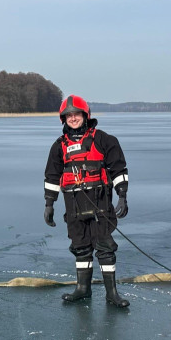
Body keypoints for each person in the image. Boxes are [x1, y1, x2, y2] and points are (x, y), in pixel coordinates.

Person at [43, 95, 130, 307]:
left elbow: (119, 169)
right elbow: (52, 177)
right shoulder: (58, 147)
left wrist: (122, 196)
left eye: (76, 114)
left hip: (100, 203)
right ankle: (83, 289)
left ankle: (112, 294)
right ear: (63, 119)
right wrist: (49, 204)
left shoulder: (104, 140)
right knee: (80, 247)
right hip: (74, 205)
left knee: (105, 247)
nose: (73, 118)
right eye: (69, 115)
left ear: (86, 115)